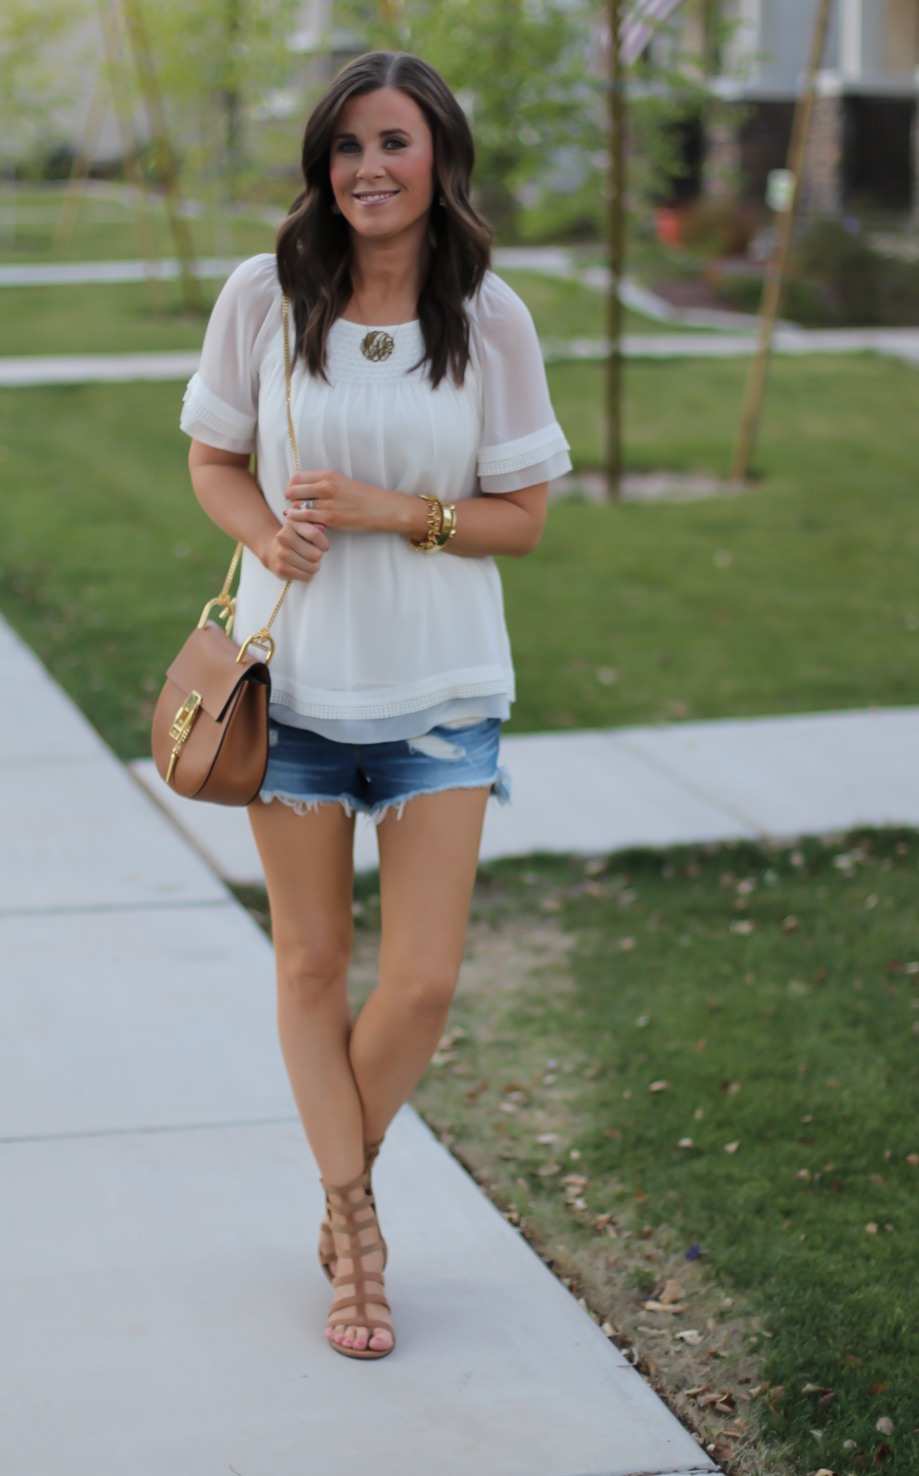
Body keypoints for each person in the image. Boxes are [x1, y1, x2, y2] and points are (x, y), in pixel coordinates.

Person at [181, 50, 570, 1360]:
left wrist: (396, 513)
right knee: (307, 963)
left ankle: (343, 1187)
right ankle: (356, 1228)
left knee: (420, 983)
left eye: (394, 143)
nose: (370, 170)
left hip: (441, 698)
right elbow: (213, 460)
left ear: (440, 156)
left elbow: (524, 519)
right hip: (286, 687)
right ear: (322, 164)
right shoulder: (265, 292)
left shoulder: (490, 316)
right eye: (348, 147)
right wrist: (267, 537)